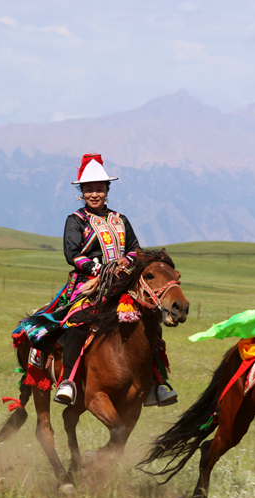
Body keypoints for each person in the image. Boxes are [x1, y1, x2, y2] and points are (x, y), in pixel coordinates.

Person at [46, 153, 177, 407]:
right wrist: (99, 269)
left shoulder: (120, 219)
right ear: (82, 193)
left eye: (99, 189)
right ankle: (69, 381)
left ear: (107, 191)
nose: (94, 194)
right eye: (89, 190)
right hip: (88, 285)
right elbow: (72, 254)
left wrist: (125, 263)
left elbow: (134, 249)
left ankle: (156, 383)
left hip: (122, 285)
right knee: (77, 321)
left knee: (151, 323)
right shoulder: (76, 221)